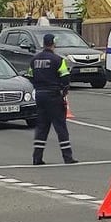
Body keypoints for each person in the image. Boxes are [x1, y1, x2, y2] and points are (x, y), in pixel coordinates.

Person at [26, 33, 77, 165]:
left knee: (42, 127)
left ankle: (37, 158)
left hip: (40, 96)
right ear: (53, 43)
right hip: (54, 96)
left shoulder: (34, 60)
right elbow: (65, 78)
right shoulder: (58, 60)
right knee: (60, 127)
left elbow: (30, 76)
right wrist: (63, 90)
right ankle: (67, 157)